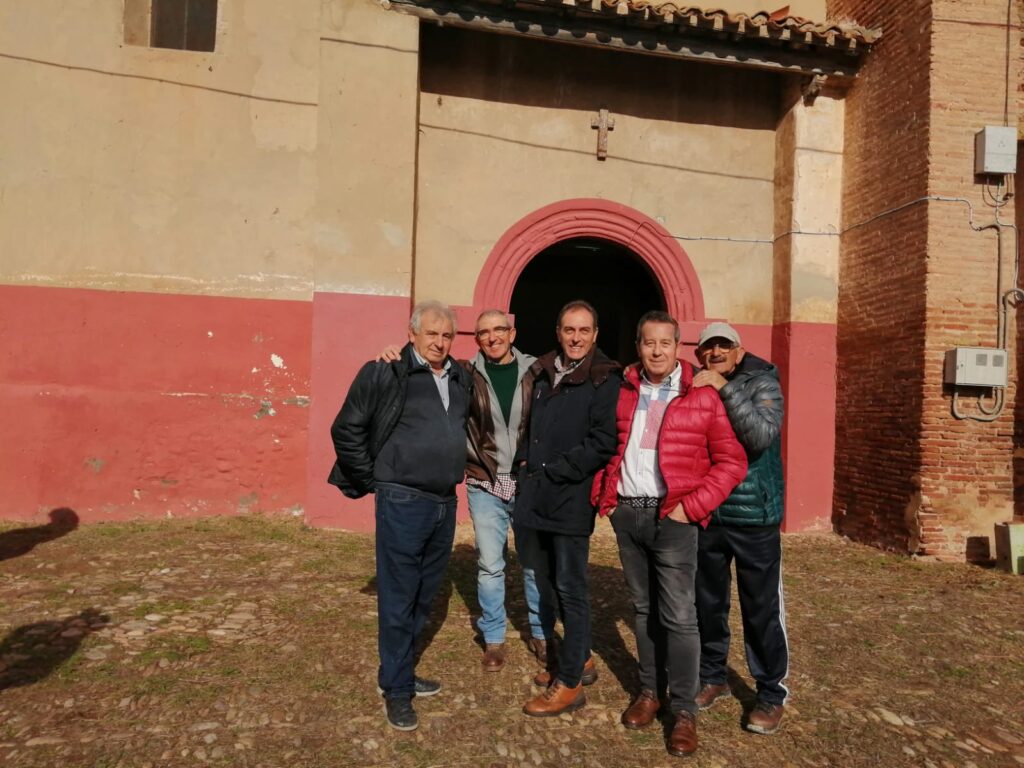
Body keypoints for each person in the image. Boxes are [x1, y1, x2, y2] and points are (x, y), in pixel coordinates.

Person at [592, 311, 747, 757]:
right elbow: (607, 445)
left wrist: (691, 509)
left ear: (678, 347)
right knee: (643, 610)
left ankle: (683, 710)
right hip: (629, 514)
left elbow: (732, 462)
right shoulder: (624, 390)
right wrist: (608, 498)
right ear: (638, 347)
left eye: (665, 342)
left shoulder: (701, 395)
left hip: (674, 519)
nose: (656, 351)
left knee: (679, 616)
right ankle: (649, 692)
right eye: (648, 342)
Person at [377, 310, 556, 671]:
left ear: (512, 333)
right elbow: (425, 365)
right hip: (484, 481)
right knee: (490, 565)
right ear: (476, 340)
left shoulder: (538, 370)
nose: (492, 337)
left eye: (499, 330)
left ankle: (541, 633)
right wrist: (392, 355)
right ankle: (494, 638)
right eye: (484, 332)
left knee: (534, 564)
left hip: (527, 483)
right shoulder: (464, 373)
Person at [328, 300, 472, 732]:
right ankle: (396, 691)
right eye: (431, 334)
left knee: (424, 594)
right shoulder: (385, 371)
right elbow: (346, 428)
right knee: (398, 597)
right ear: (411, 334)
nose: (439, 342)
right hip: (403, 501)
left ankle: (399, 671)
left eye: (446, 335)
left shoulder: (459, 376)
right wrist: (375, 479)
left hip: (444, 502)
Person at [514, 300, 621, 717]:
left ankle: (571, 683)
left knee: (572, 589)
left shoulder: (603, 379)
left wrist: (556, 471)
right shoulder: (544, 372)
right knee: (548, 584)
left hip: (569, 499)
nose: (576, 338)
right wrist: (525, 464)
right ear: (558, 332)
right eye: (569, 330)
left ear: (595, 335)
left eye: (584, 330)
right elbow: (531, 429)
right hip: (536, 495)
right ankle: (581, 658)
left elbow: (602, 441)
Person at [690, 321, 789, 735]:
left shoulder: (763, 382)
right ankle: (713, 676)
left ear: (739, 351)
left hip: (754, 516)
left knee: (761, 609)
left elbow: (760, 435)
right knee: (707, 604)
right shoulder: (696, 384)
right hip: (710, 513)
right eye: (708, 347)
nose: (715, 352)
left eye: (724, 346)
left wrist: (723, 388)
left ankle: (770, 692)